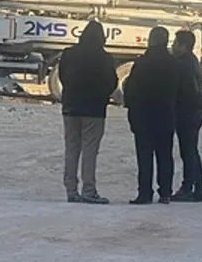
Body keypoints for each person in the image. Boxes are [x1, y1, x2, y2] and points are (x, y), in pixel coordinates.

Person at [58, 20, 118, 204]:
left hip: (71, 107)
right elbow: (112, 82)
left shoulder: (68, 54)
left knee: (71, 148)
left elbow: (62, 75)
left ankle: (71, 189)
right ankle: (88, 190)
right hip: (94, 109)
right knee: (90, 150)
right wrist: (102, 95)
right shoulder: (105, 58)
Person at [123, 27, 179, 204]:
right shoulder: (173, 63)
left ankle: (145, 193)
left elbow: (130, 89)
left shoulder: (142, 63)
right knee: (165, 155)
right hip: (165, 115)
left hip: (144, 116)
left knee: (145, 156)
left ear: (151, 40)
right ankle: (165, 192)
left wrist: (131, 110)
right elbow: (180, 90)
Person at [172, 29, 202, 202]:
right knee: (191, 150)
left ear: (183, 46)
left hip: (187, 111)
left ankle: (190, 187)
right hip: (195, 111)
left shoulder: (183, 64)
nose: (173, 47)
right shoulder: (192, 61)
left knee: (188, 151)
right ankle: (198, 187)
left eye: (175, 43)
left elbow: (189, 90)